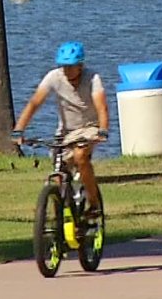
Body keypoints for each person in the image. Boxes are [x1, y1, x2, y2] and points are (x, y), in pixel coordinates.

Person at [12, 40, 110, 219]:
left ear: (80, 66)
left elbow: (101, 106)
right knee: (59, 175)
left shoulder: (92, 78)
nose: (67, 70)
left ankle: (94, 204)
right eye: (64, 66)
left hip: (89, 128)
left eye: (71, 67)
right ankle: (60, 218)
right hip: (65, 131)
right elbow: (35, 103)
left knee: (81, 157)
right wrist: (19, 129)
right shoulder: (54, 77)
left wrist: (103, 130)